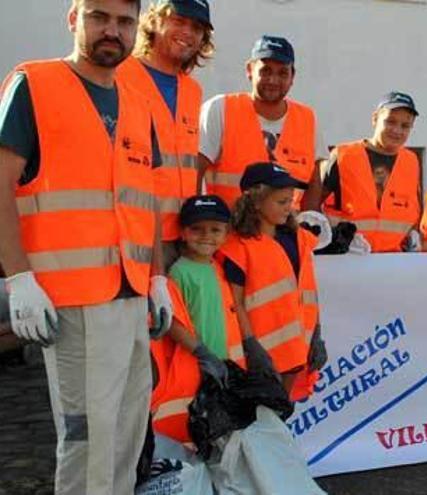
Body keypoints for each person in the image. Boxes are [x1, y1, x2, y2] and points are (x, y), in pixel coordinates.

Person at [0, 1, 172, 493]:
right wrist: (18, 277)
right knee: (87, 439)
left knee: (124, 433)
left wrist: (157, 278)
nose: (111, 31)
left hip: (132, 295)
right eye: (99, 17)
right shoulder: (35, 85)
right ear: (74, 19)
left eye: (123, 21)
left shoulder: (138, 105)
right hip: (73, 299)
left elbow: (145, 205)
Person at [150, 194, 264, 444]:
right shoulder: (180, 272)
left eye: (215, 230)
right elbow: (174, 322)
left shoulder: (217, 267)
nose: (206, 236)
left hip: (222, 365)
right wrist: (201, 353)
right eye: (197, 229)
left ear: (226, 234)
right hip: (197, 366)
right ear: (183, 233)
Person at [219, 163, 327, 398]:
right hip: (261, 356)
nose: (289, 207)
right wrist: (250, 344)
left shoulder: (298, 239)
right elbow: (235, 303)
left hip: (297, 351)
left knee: (281, 418)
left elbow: (307, 291)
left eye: (290, 201)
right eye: (281, 202)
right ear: (255, 202)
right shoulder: (238, 248)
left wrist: (316, 334)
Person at [117, 0, 214, 262]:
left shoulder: (192, 91)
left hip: (181, 237)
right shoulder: (117, 75)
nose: (187, 32)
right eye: (178, 21)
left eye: (196, 27)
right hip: (131, 235)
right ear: (154, 21)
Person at [199, 35, 325, 210]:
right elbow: (194, 172)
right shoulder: (220, 109)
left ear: (292, 76)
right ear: (250, 70)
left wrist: (306, 226)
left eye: (282, 73)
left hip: (285, 233)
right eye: (266, 71)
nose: (273, 80)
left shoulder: (307, 119)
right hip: (230, 231)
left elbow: (314, 183)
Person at [318, 91, 422, 253]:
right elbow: (312, 203)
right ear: (375, 119)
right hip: (346, 258)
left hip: (392, 261)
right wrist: (327, 239)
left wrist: (413, 235)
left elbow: (412, 210)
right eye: (390, 122)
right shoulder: (343, 155)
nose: (397, 130)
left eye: (405, 125)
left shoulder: (412, 162)